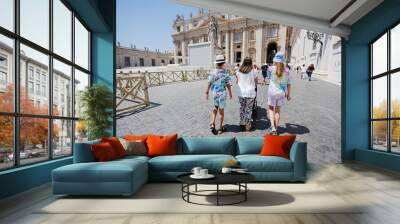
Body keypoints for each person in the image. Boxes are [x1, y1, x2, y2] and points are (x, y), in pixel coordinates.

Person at [206, 55, 233, 135]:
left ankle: (213, 123)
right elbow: (228, 84)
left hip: (215, 93)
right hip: (222, 95)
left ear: (217, 63)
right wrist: (230, 93)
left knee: (215, 108)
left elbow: (209, 83)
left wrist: (207, 92)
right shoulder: (225, 73)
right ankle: (220, 128)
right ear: (223, 63)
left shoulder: (213, 72)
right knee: (221, 112)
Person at [266, 52, 291, 135]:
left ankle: (272, 127)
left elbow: (268, 77)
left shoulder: (270, 68)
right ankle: (276, 128)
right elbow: (289, 84)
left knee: (270, 109)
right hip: (281, 93)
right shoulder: (287, 70)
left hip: (272, 91)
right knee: (277, 111)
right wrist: (288, 94)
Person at [237, 57, 258, 131]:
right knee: (249, 109)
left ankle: (242, 122)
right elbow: (256, 82)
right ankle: (247, 124)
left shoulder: (239, 71)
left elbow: (237, 81)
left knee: (242, 107)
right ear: (251, 62)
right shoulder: (254, 71)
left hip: (241, 92)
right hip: (250, 92)